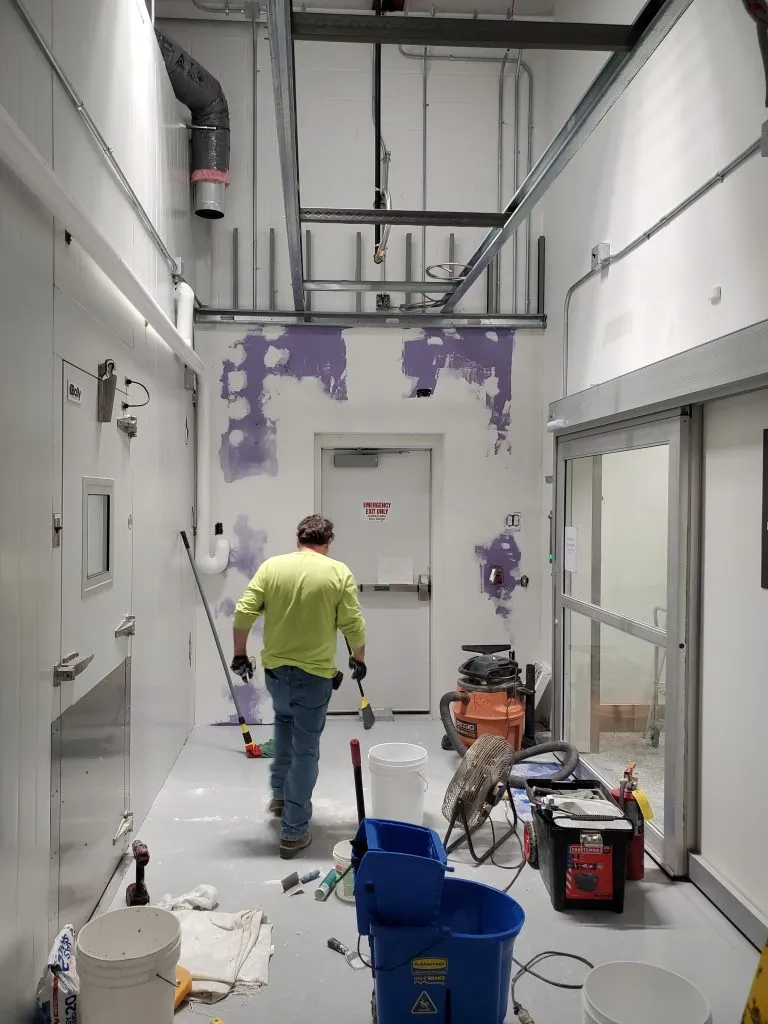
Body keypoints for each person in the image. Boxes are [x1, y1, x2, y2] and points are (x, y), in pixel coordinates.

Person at [231, 514, 366, 859]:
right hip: (314, 677)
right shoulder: (338, 573)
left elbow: (243, 612)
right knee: (306, 749)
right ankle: (293, 832)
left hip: (276, 673)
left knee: (284, 723)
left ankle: (280, 796)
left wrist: (240, 654)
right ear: (328, 542)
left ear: (298, 540)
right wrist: (358, 659)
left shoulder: (272, 568)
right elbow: (353, 625)